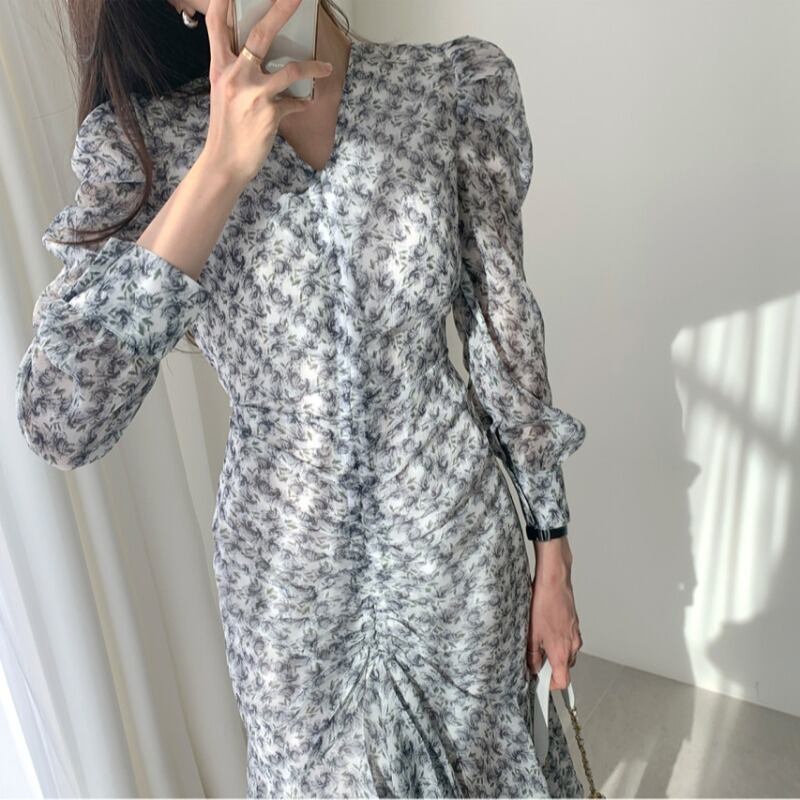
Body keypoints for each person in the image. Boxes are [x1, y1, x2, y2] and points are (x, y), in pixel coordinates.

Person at [15, 0, 589, 795]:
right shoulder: (147, 144)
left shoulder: (448, 89)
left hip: (459, 559)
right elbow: (60, 418)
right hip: (290, 599)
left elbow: (504, 331)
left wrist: (552, 548)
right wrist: (218, 169)